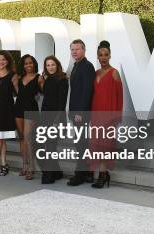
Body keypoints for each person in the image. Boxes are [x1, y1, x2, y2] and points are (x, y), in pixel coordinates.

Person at [89, 41, 123, 189]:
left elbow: (120, 96)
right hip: (96, 115)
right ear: (97, 56)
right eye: (100, 55)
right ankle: (102, 174)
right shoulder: (95, 73)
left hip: (108, 116)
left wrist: (117, 117)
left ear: (110, 56)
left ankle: (102, 175)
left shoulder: (114, 72)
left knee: (105, 146)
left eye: (106, 55)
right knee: (96, 145)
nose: (103, 57)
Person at [67, 39, 96, 186]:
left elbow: (87, 91)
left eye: (77, 49)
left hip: (81, 113)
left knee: (81, 144)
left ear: (84, 50)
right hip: (76, 112)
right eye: (72, 49)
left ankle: (80, 175)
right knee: (80, 143)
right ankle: (86, 174)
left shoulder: (87, 66)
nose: (74, 52)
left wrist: (79, 112)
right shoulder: (77, 65)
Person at [38, 55, 68, 184]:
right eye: (48, 65)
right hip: (45, 116)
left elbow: (61, 103)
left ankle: (49, 175)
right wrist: (41, 83)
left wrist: (56, 122)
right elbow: (46, 96)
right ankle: (57, 172)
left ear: (57, 65)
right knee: (49, 146)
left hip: (56, 118)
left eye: (53, 64)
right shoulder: (48, 79)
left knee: (50, 146)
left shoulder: (62, 80)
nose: (50, 67)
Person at [0, 50, 18, 176]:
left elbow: (19, 93)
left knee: (0, 138)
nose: (1, 62)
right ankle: (4, 164)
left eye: (3, 59)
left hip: (7, 110)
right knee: (0, 138)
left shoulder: (13, 75)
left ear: (8, 61)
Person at [13, 54, 39, 180]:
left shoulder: (39, 78)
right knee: (22, 137)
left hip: (31, 109)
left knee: (28, 137)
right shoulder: (20, 77)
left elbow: (47, 93)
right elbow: (20, 93)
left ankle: (32, 166)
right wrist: (15, 84)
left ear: (34, 64)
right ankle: (24, 164)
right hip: (18, 107)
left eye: (30, 63)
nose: (28, 65)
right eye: (26, 63)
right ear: (23, 66)